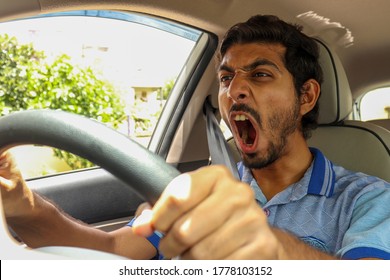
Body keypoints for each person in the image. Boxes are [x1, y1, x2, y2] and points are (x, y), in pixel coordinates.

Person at [1, 15, 390, 260]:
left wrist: (272, 250)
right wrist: (23, 206)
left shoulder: (369, 199)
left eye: (259, 74)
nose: (234, 90)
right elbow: (111, 253)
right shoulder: (195, 192)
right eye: (226, 78)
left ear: (305, 97)